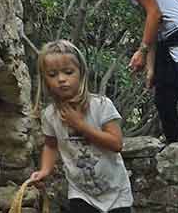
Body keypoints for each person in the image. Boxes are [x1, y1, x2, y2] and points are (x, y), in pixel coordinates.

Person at [88, 0, 178, 143]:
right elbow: (154, 23)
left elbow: (154, 14)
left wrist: (141, 51)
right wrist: (150, 68)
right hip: (168, 38)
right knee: (164, 98)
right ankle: (176, 150)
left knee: (170, 93)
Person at [28, 40, 133, 212]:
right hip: (81, 193)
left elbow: (116, 144)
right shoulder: (50, 115)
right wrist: (45, 170)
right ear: (45, 80)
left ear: (81, 73)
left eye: (68, 72)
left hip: (116, 193)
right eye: (52, 75)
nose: (61, 79)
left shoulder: (101, 105)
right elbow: (50, 144)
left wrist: (79, 125)